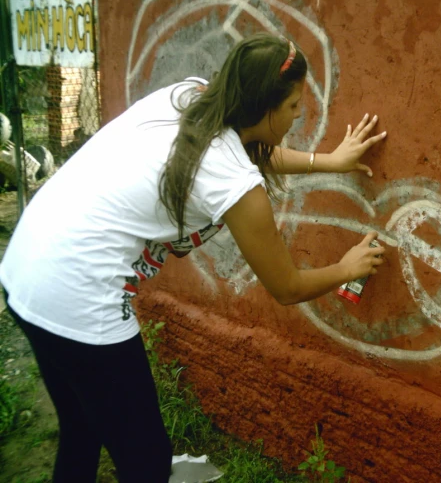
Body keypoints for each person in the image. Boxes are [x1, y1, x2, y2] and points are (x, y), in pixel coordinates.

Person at [0, 33, 387, 483]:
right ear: (264, 106)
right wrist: (346, 269)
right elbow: (287, 287)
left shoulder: (191, 96)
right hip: (78, 299)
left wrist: (329, 160)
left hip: (25, 265)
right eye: (294, 106)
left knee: (83, 429)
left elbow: (242, 152)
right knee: (146, 460)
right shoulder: (237, 185)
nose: (299, 114)